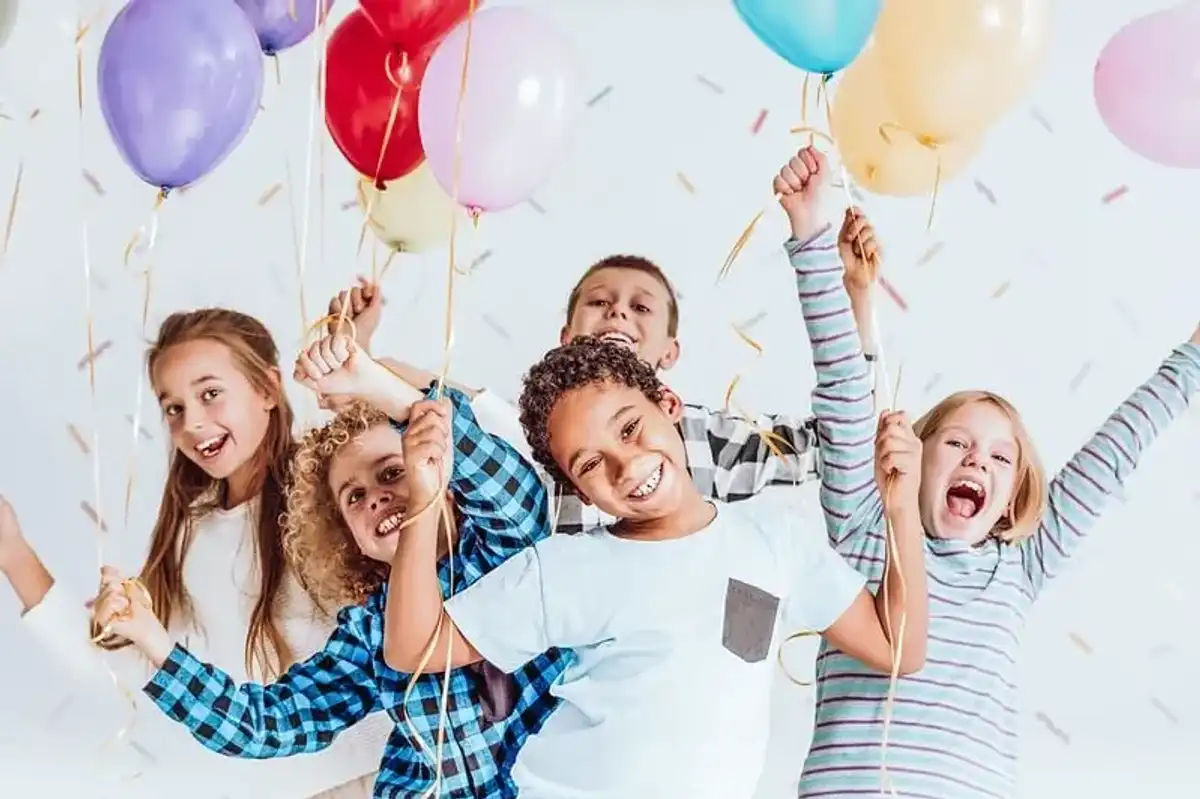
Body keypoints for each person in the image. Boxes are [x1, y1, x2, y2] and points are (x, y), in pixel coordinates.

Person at [378, 148, 928, 798]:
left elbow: (899, 647)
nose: (625, 462)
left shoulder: (771, 541)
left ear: (670, 401)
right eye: (590, 464)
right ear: (573, 484)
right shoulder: (563, 564)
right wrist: (420, 501)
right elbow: (414, 647)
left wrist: (901, 511)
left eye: (631, 429)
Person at [793, 224, 1200, 795]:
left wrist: (1193, 359)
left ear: (1011, 503)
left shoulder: (1020, 563)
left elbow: (1116, 450)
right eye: (958, 444)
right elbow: (843, 390)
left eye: (1001, 458)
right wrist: (817, 248)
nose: (978, 462)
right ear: (916, 455)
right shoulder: (867, 522)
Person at [86, 332, 562, 799]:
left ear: (444, 473)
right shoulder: (371, 629)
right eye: (354, 497)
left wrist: (386, 395)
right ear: (349, 540)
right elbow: (267, 723)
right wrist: (153, 642)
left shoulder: (507, 552)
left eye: (392, 472)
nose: (375, 496)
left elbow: (510, 488)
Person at [331, 167, 885, 535]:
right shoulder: (525, 432)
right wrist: (362, 351)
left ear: (671, 353)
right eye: (599, 302)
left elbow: (845, 438)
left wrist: (856, 299)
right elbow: (431, 394)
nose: (619, 312)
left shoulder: (711, 439)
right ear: (566, 337)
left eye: (641, 308)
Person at [0, 309, 390, 798]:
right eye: (173, 407)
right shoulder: (190, 534)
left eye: (210, 394)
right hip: (280, 780)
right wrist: (12, 550)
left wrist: (362, 368)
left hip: (379, 772)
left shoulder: (331, 492)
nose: (193, 423)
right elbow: (116, 663)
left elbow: (398, 496)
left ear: (267, 390)